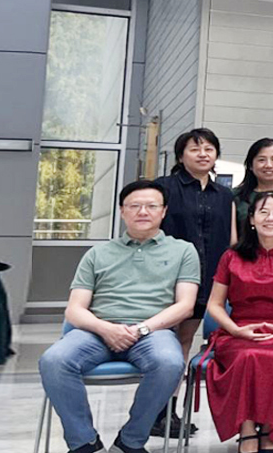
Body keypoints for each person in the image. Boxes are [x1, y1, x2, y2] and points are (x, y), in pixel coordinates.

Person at [38, 180, 198, 453]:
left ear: (163, 211)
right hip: (96, 332)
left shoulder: (183, 251)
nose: (143, 212)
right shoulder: (98, 253)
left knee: (170, 363)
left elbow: (185, 306)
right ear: (122, 211)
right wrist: (105, 329)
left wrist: (141, 329)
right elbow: (74, 310)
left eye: (151, 206)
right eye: (134, 206)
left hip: (152, 332)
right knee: (53, 360)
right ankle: (84, 443)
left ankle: (130, 442)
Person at [203, 192, 273, 453]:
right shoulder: (231, 256)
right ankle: (247, 432)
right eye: (263, 212)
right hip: (238, 330)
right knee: (248, 357)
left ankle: (268, 431)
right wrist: (235, 330)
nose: (270, 218)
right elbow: (215, 304)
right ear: (252, 219)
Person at [151, 127, 232, 438]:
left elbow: (230, 240)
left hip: (207, 279)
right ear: (181, 155)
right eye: (195, 148)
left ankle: (168, 411)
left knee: (183, 342)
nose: (202, 154)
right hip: (167, 280)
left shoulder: (224, 195)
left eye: (209, 148)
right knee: (163, 342)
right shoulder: (164, 188)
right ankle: (154, 410)